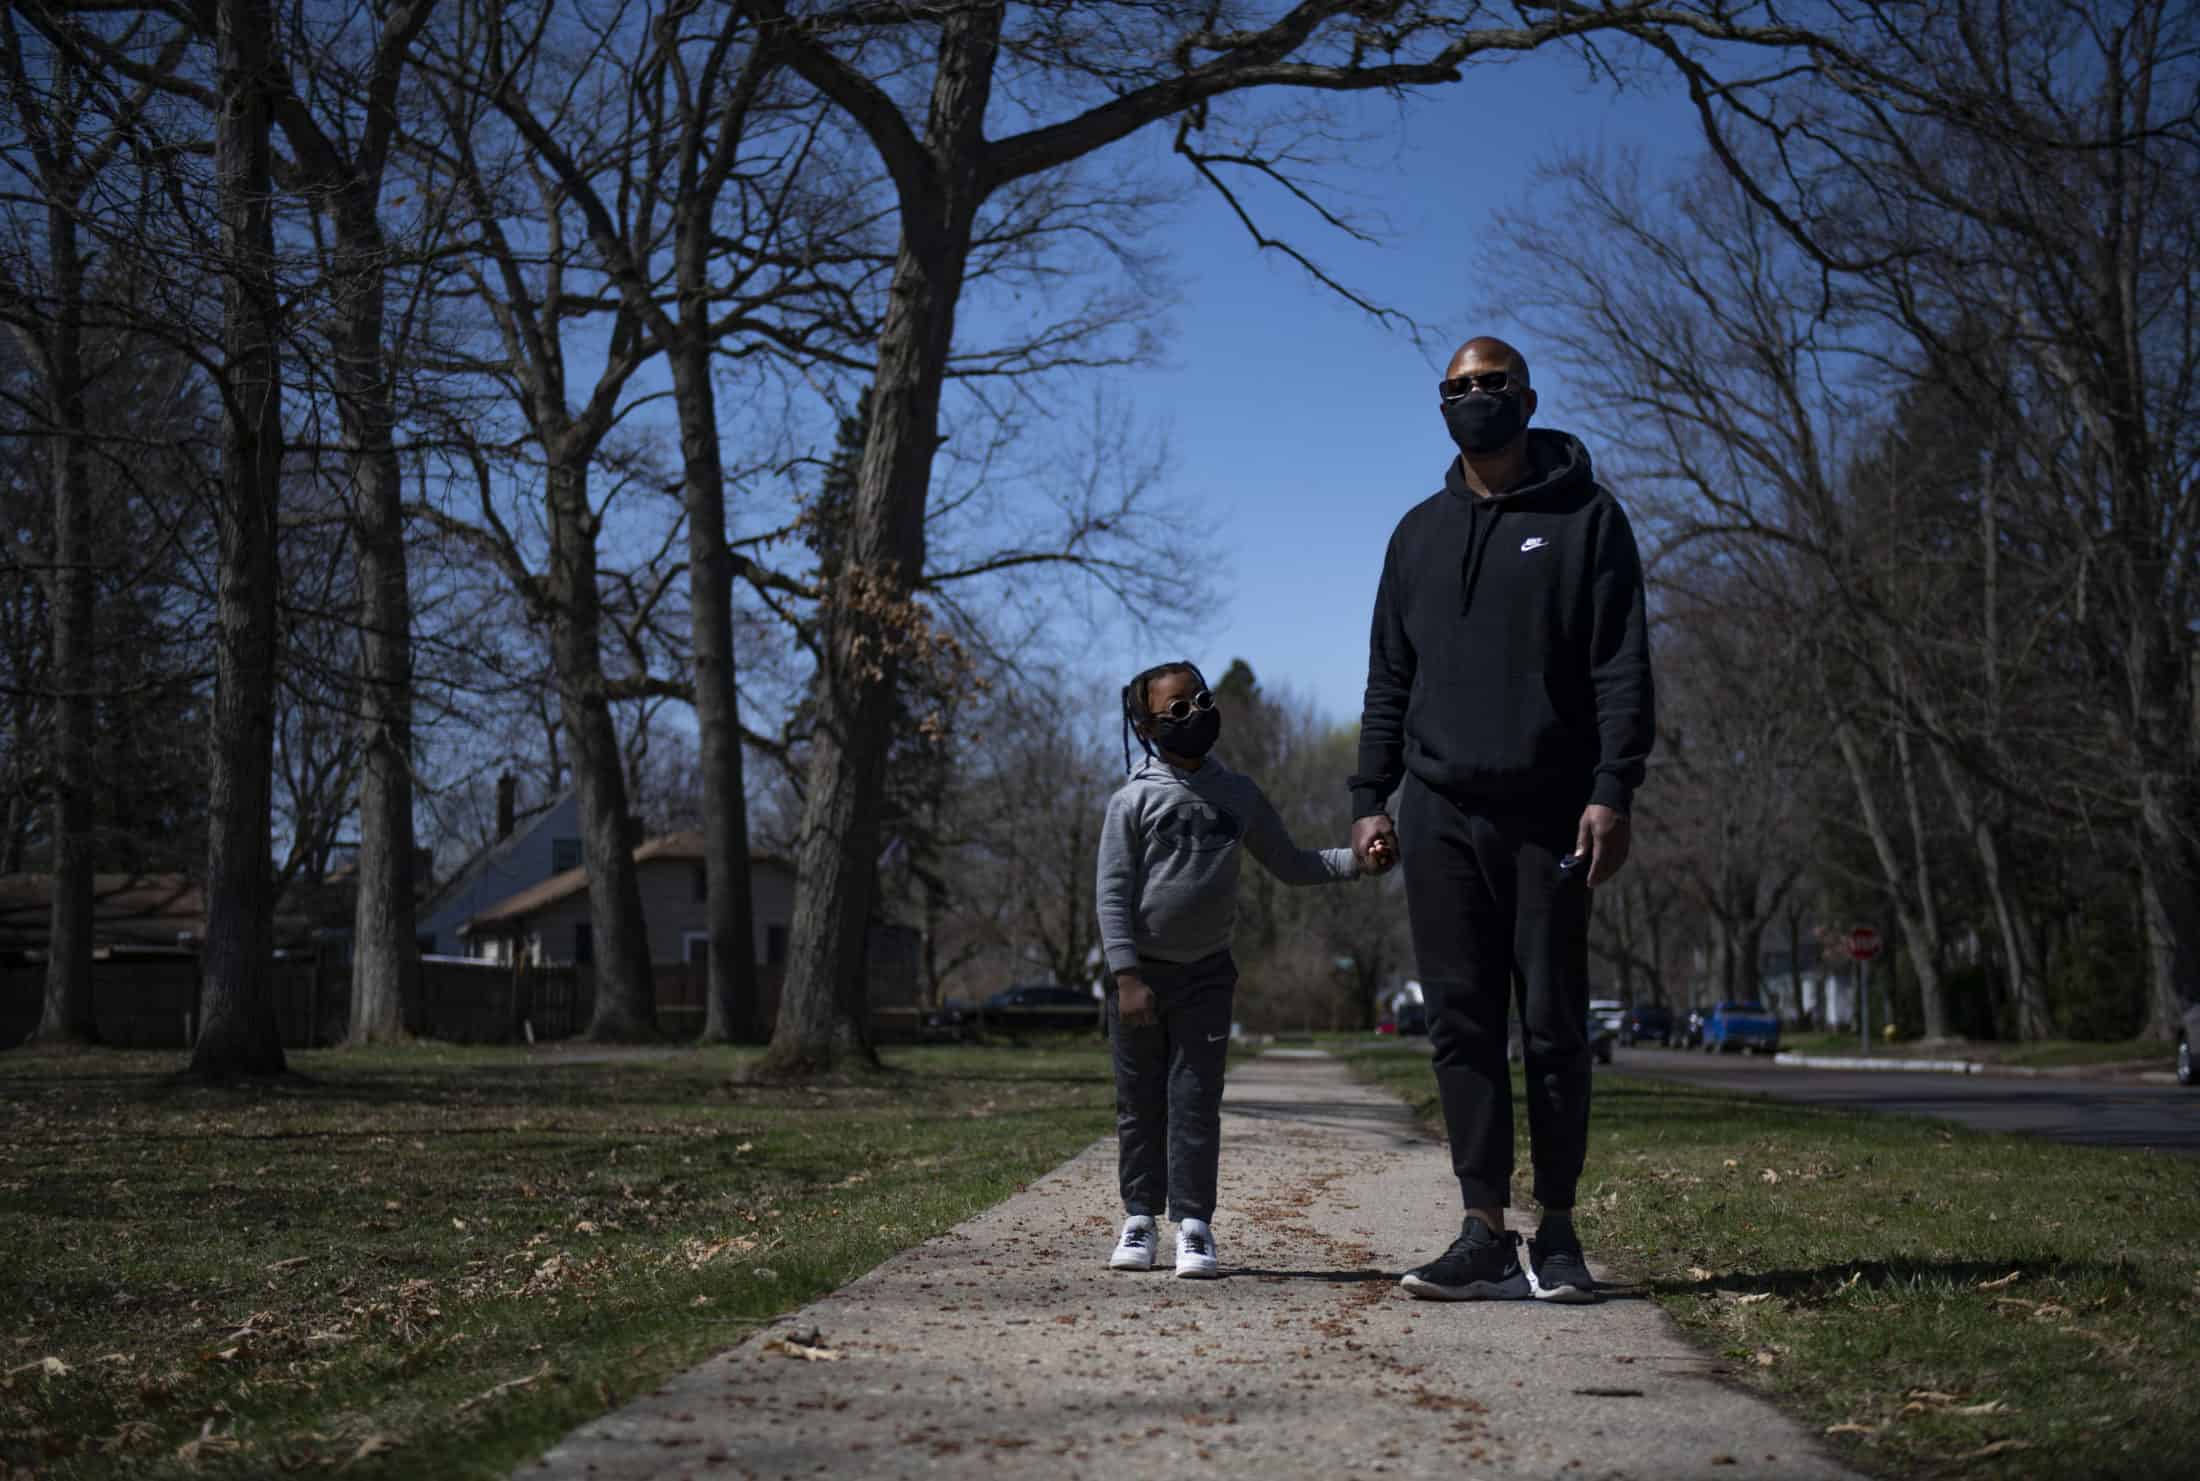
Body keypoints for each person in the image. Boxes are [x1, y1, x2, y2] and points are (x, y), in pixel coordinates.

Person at [1349, 336, 1654, 1304]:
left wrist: (1612, 786)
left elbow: (1621, 667)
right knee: (1460, 1025)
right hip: (1437, 808)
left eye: (1492, 385)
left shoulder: (1587, 520)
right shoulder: (1415, 534)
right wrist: (1369, 796)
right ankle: (1481, 1226)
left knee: (1554, 1023)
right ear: (1441, 406)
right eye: (1458, 388)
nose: (1475, 398)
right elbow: (1389, 678)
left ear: (1525, 398)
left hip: (1548, 808)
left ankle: (1557, 1231)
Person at [1095, 660, 1363, 1278]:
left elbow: (1292, 863)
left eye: (1202, 701)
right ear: (1146, 725)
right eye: (1177, 711)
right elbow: (1111, 895)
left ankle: (1194, 1226)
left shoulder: (1238, 794)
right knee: (1139, 1104)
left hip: (1208, 975)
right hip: (1142, 977)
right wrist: (1127, 978)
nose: (1196, 716)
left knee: (1195, 1103)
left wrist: (1359, 862)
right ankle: (1139, 1219)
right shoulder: (1132, 800)